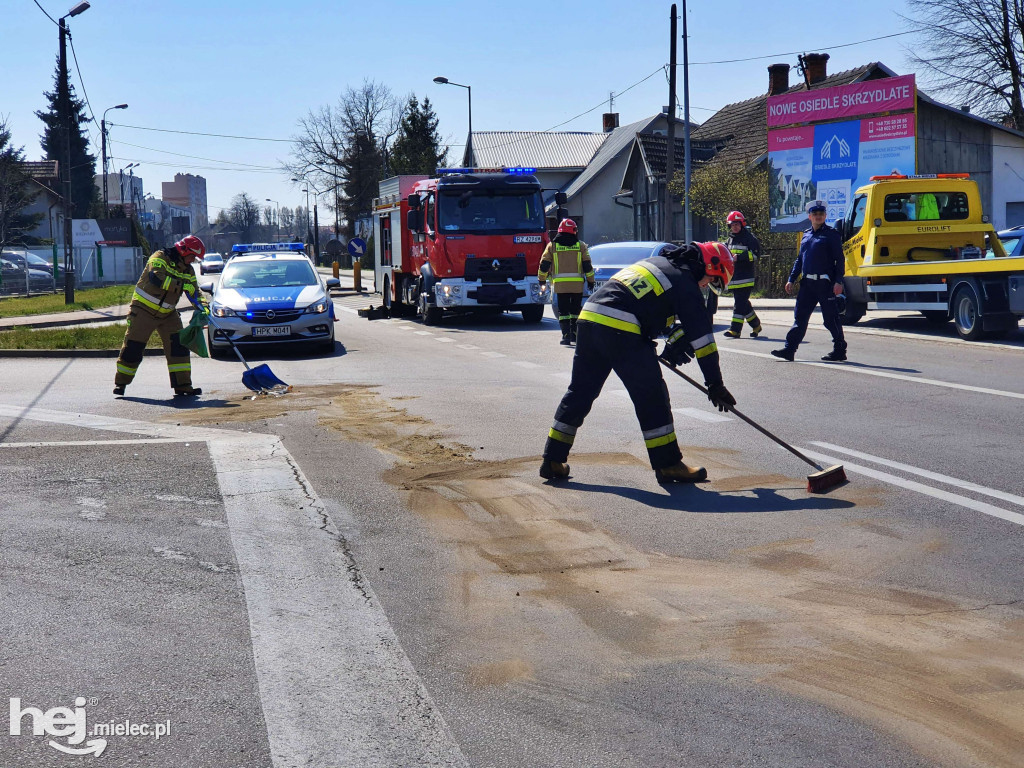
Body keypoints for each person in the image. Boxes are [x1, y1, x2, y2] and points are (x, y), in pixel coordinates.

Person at [539, 242, 737, 485]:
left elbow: (645, 304)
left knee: (580, 392)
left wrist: (672, 336)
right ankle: (669, 465)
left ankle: (552, 459)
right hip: (620, 327)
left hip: (589, 319)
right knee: (652, 395)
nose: (706, 286)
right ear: (707, 265)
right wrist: (715, 384)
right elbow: (704, 341)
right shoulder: (685, 281)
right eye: (711, 280)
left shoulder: (660, 265)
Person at [114, 235, 208, 397]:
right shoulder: (159, 257)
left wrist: (204, 307)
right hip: (143, 311)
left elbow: (194, 290)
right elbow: (156, 278)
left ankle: (183, 385)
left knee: (179, 347)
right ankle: (121, 383)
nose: (193, 260)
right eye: (193, 256)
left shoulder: (188, 270)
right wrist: (181, 286)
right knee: (133, 347)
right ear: (184, 251)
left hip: (168, 314)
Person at [771, 200, 847, 362]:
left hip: (825, 284)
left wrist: (838, 281)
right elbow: (800, 260)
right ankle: (789, 349)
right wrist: (791, 279)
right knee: (800, 318)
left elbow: (839, 260)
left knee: (830, 319)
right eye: (815, 214)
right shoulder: (806, 234)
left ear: (825, 216)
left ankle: (839, 350)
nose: (818, 217)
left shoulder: (831, 235)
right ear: (809, 216)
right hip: (807, 284)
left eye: (821, 214)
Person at [538, 218, 595, 345]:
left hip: (560, 286)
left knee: (563, 311)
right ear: (574, 231)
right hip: (577, 286)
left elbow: (544, 265)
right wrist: (591, 281)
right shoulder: (581, 245)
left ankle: (565, 336)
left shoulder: (552, 246)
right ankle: (575, 335)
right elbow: (587, 266)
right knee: (575, 311)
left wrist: (541, 280)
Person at [722, 210, 763, 338]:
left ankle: (735, 330)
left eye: (737, 224)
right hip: (734, 278)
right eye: (732, 224)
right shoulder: (729, 240)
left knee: (739, 304)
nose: (735, 227)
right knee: (744, 304)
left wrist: (739, 257)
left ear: (742, 224)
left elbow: (756, 255)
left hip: (745, 278)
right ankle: (756, 325)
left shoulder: (749, 239)